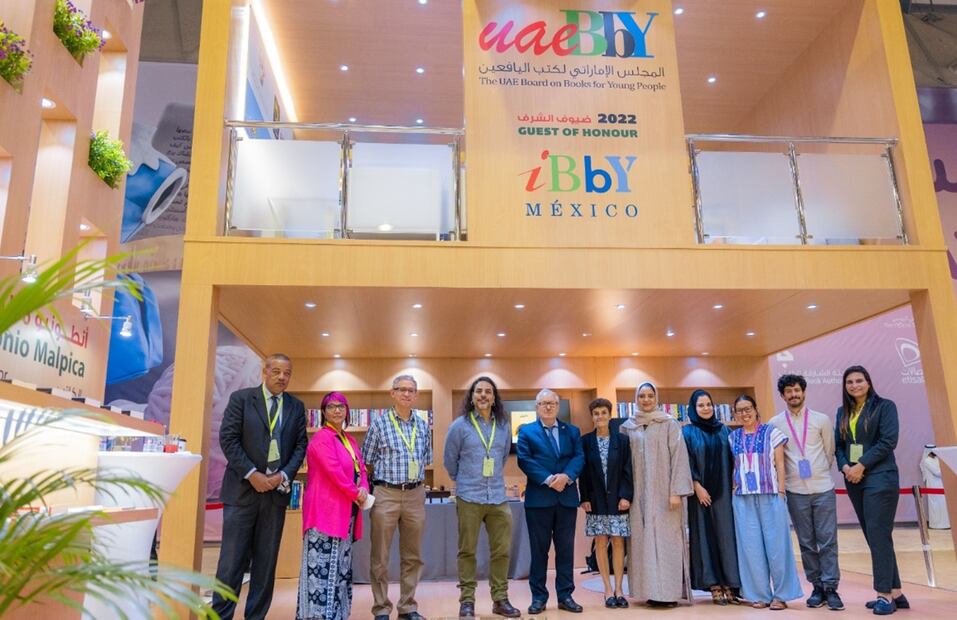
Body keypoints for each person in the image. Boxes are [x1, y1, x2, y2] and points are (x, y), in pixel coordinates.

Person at [213, 353, 308, 620]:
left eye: (287, 373)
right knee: (231, 564)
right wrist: (252, 474)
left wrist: (284, 475)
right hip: (242, 493)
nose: (282, 377)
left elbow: (301, 445)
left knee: (265, 567)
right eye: (276, 371)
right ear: (264, 372)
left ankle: (256, 617)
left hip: (275, 496)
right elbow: (228, 439)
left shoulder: (295, 407)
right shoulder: (242, 400)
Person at [444, 376, 521, 618]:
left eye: (488, 391)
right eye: (479, 391)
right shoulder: (459, 426)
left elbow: (500, 458)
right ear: (472, 396)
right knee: (467, 551)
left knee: (502, 551)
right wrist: (465, 479)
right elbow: (449, 460)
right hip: (469, 496)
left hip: (498, 496)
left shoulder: (503, 425)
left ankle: (500, 599)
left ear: (494, 397)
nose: (484, 395)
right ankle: (467, 601)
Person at [836, 366, 907, 615]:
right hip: (854, 480)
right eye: (849, 382)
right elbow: (839, 445)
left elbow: (888, 441)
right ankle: (896, 591)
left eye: (859, 380)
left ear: (868, 381)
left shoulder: (885, 407)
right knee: (875, 537)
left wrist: (861, 465)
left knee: (878, 536)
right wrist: (845, 466)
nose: (854, 385)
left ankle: (884, 596)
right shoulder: (843, 412)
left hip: (880, 477)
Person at [768, 374, 844, 610]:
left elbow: (829, 452)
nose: (794, 394)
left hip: (822, 488)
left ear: (804, 392)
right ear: (782, 396)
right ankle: (817, 586)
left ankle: (832, 588)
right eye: (789, 391)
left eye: (797, 390)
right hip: (795, 491)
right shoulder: (775, 423)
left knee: (828, 541)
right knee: (807, 543)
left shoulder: (821, 420)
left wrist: (818, 472)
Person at [362, 374, 432, 620]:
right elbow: (366, 461)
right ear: (392, 393)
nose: (406, 394)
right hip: (386, 494)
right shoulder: (379, 424)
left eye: (411, 390)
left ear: (416, 395)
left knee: (413, 555)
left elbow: (427, 459)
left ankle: (407, 607)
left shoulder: (423, 426)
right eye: (401, 389)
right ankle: (381, 609)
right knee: (380, 556)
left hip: (415, 494)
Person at [620, 382, 693, 608]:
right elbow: (622, 464)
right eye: (641, 396)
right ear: (636, 399)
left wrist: (676, 492)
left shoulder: (669, 423)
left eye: (650, 396)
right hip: (638, 496)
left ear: (656, 398)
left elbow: (679, 458)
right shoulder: (627, 427)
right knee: (642, 543)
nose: (646, 400)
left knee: (667, 542)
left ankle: (669, 593)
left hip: (665, 495)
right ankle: (649, 591)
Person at [297, 392, 369, 620]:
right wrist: (355, 492)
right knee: (321, 572)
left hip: (347, 512)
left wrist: (364, 488)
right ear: (324, 412)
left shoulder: (349, 439)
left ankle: (338, 615)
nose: (337, 410)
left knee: (340, 570)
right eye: (331, 407)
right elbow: (334, 472)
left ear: (347, 411)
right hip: (324, 514)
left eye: (341, 406)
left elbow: (361, 468)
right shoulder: (321, 438)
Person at [729, 394, 803, 610]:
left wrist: (781, 491)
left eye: (748, 408)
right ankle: (759, 594)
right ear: (735, 413)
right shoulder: (732, 437)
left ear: (755, 408)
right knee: (750, 548)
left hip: (771, 495)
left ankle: (781, 595)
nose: (744, 413)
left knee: (777, 546)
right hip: (743, 498)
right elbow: (735, 465)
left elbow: (780, 464)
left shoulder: (772, 433)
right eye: (740, 410)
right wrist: (735, 487)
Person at [516, 388, 585, 615]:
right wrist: (548, 480)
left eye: (552, 403)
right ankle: (538, 597)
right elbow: (525, 460)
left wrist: (567, 476)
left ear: (558, 406)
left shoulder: (572, 431)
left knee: (565, 550)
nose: (548, 407)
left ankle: (566, 596)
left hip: (566, 499)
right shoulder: (526, 431)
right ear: (537, 407)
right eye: (543, 403)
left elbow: (579, 457)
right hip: (539, 501)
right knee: (539, 552)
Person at [682, 389, 741, 606]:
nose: (706, 408)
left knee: (726, 537)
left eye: (708, 404)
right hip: (700, 495)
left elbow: (735, 459)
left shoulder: (724, 430)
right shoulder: (687, 432)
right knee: (704, 539)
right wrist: (697, 486)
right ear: (693, 409)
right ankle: (713, 585)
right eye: (701, 405)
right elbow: (685, 462)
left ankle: (730, 583)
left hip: (724, 494)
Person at [578, 397, 633, 609]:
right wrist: (584, 498)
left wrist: (626, 495)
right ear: (592, 417)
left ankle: (619, 589)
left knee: (618, 542)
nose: (600, 416)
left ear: (610, 415)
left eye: (603, 413)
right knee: (601, 542)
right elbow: (583, 473)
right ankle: (607, 590)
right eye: (596, 413)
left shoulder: (623, 441)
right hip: (596, 500)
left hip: (618, 499)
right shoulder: (585, 442)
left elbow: (628, 470)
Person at [920, 445, 950, 529]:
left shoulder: (936, 459)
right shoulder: (926, 461)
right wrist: (946, 469)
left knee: (943, 504)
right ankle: (936, 525)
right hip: (933, 486)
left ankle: (945, 524)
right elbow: (937, 472)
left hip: (941, 485)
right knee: (935, 505)